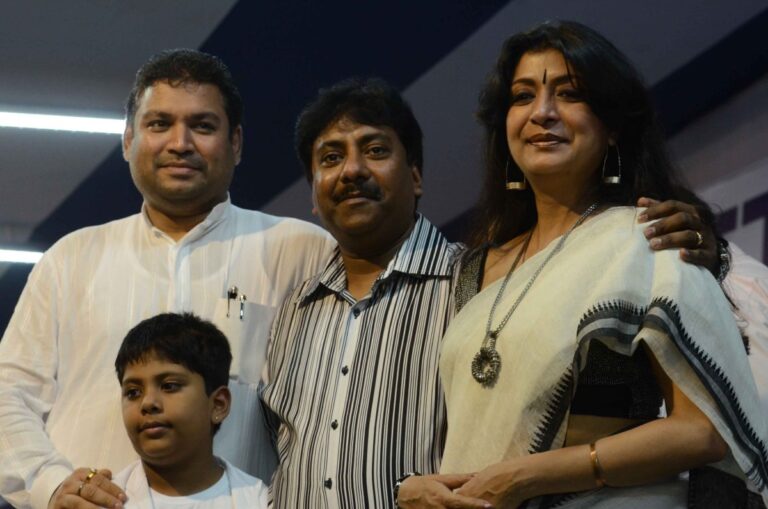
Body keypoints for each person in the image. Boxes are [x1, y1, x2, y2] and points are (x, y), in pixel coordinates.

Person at [260, 77, 726, 508]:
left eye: (375, 150)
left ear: (417, 176)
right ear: (313, 194)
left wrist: (706, 249)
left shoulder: (485, 283)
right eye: (330, 157)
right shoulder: (292, 313)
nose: (352, 170)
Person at [398, 20, 767, 508]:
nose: (542, 113)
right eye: (523, 96)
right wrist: (414, 486)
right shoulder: (475, 268)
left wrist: (527, 477)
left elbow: (702, 432)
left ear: (612, 127)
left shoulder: (650, 236)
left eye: (569, 94)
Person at [0, 49, 334, 509]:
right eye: (159, 124)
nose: (180, 143)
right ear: (128, 140)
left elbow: (344, 401)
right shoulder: (71, 258)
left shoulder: (300, 250)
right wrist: (51, 484)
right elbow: (7, 394)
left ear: (235, 142)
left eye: (202, 125)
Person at [111, 312, 268, 508]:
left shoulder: (259, 501)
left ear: (218, 404)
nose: (148, 402)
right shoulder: (102, 500)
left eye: (169, 386)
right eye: (133, 392)